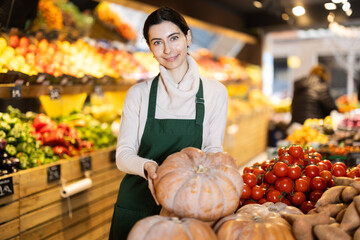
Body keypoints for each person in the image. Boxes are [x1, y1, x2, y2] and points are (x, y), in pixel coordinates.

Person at [108, 6, 228, 239]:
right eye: (157, 42)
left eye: (174, 38)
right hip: (138, 203)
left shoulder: (215, 92)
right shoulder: (138, 94)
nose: (167, 49)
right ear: (150, 48)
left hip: (188, 205)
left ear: (188, 37)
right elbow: (123, 155)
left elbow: (213, 149)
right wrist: (149, 167)